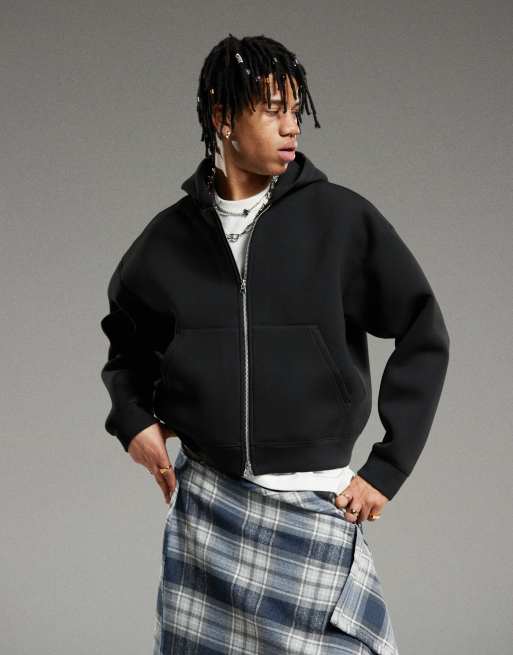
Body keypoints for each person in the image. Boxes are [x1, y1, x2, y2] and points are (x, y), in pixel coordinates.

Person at [100, 33, 450, 654]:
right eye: (272, 110)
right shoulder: (169, 239)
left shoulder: (340, 221)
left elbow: (423, 331)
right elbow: (126, 345)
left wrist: (388, 468)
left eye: (295, 110)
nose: (292, 127)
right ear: (221, 117)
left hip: (316, 502)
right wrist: (133, 421)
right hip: (208, 506)